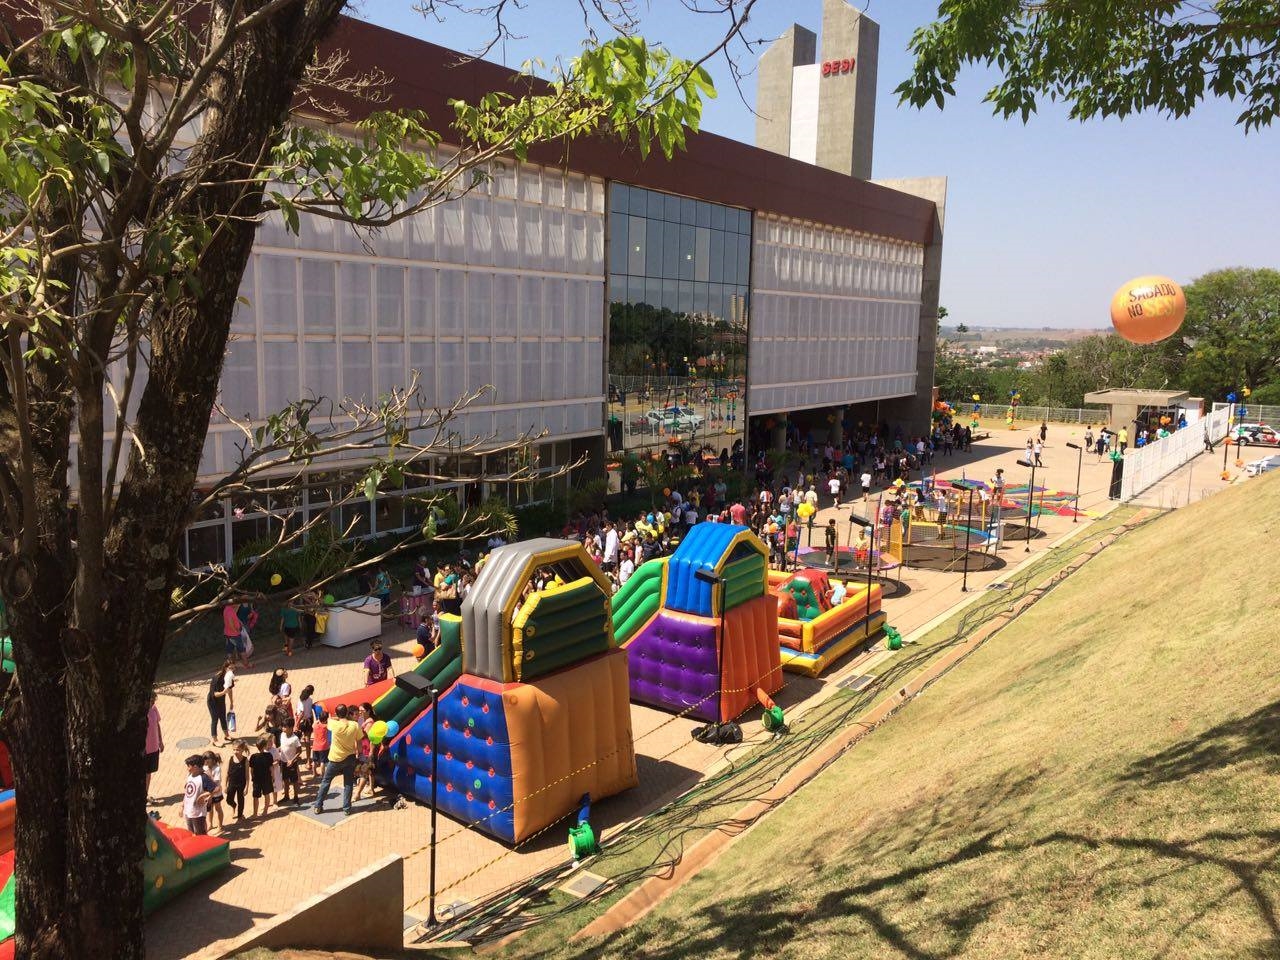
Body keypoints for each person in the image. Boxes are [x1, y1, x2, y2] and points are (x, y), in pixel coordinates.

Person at [313, 703, 361, 817]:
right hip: (350, 757)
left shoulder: (334, 724)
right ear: (347, 713)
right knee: (348, 783)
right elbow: (359, 742)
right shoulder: (354, 725)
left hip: (335, 759)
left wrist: (334, 716)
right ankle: (347, 808)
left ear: (337, 714)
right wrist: (358, 754)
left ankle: (318, 806)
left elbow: (329, 719)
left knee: (326, 781)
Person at [182, 755, 214, 836]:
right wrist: (182, 806)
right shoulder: (190, 776)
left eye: (188, 766)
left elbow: (216, 789)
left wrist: (202, 796)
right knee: (191, 832)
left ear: (195, 767)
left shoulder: (203, 778)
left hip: (198, 813)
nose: (187, 768)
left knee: (201, 834)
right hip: (188, 811)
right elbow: (187, 793)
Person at [248, 736, 277, 817]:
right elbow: (271, 768)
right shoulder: (269, 755)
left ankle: (255, 813)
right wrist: (273, 777)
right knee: (266, 794)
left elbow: (252, 769)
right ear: (265, 746)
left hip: (257, 779)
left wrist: (252, 777)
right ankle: (265, 811)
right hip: (266, 778)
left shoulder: (253, 757)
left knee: (255, 796)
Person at [277, 718, 302, 805]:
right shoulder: (282, 735)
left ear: (291, 728)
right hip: (283, 762)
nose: (283, 728)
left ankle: (296, 797)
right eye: (282, 726)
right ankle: (286, 796)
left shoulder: (295, 739)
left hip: (292, 763)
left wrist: (292, 760)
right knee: (285, 779)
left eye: (285, 727)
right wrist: (278, 750)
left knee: (294, 780)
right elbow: (282, 746)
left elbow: (299, 751)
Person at [144, 691, 164, 800]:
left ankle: (145, 794)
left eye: (153, 701)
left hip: (154, 747)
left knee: (148, 773)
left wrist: (160, 741)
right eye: (151, 701)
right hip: (144, 749)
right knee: (141, 773)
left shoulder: (154, 709)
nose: (152, 703)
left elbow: (157, 725)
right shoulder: (140, 712)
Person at [207, 662, 231, 747]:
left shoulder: (229, 677)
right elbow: (214, 694)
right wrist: (224, 692)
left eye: (234, 668)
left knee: (223, 717)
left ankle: (227, 735)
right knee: (215, 720)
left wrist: (231, 701)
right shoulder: (217, 678)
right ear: (225, 668)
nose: (232, 670)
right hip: (213, 701)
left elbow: (230, 689)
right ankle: (215, 740)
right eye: (230, 668)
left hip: (221, 700)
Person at [203, 750, 225, 832]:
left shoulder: (217, 768)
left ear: (212, 759)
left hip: (216, 793)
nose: (205, 762)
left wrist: (208, 774)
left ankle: (220, 825)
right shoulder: (205, 767)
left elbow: (215, 782)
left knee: (218, 808)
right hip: (208, 793)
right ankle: (210, 824)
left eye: (206, 760)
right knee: (210, 809)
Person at [225, 742, 248, 820]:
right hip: (232, 783)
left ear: (242, 750)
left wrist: (247, 787)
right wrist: (225, 785)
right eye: (234, 750)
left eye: (237, 750)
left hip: (241, 783)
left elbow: (247, 775)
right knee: (229, 800)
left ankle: (240, 815)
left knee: (240, 799)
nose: (235, 752)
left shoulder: (245, 760)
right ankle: (234, 805)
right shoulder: (231, 759)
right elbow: (227, 773)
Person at [311, 709, 331, 777]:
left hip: (315, 746)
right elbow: (330, 722)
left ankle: (314, 773)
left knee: (314, 761)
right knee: (323, 762)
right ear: (326, 719)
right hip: (323, 747)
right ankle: (323, 775)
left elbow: (315, 721)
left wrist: (318, 719)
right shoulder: (325, 726)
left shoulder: (314, 725)